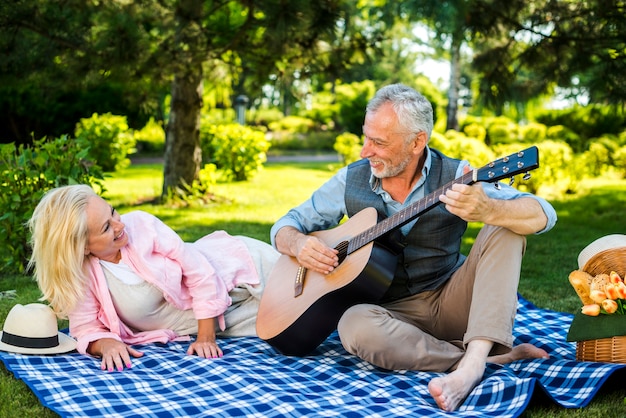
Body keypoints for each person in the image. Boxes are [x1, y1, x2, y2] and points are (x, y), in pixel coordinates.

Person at [270, 83, 557, 412]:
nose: (365, 151)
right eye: (366, 138)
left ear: (417, 141)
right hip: (392, 316)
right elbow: (284, 225)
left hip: (453, 299)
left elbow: (544, 214)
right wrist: (299, 242)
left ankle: (473, 365)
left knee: (506, 228)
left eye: (378, 142)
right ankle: (484, 357)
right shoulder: (350, 179)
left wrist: (490, 210)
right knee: (351, 325)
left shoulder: (459, 176)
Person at [29, 184, 279, 372]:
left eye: (113, 212)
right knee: (296, 329)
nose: (119, 225)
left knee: (311, 288)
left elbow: (200, 272)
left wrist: (205, 337)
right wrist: (106, 345)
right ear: (82, 246)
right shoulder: (83, 277)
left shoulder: (141, 225)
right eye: (106, 227)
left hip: (241, 271)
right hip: (233, 319)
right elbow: (85, 328)